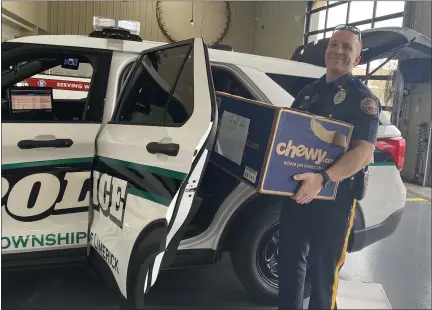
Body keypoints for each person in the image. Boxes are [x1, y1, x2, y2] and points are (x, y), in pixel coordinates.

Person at [278, 24, 381, 310]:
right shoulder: (308, 93)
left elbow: (363, 151)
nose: (338, 50)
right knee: (289, 263)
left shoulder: (364, 100)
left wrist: (322, 179)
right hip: (298, 192)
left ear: (357, 59)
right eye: (334, 44)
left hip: (335, 196)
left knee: (324, 273)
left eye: (347, 47)